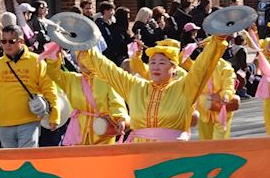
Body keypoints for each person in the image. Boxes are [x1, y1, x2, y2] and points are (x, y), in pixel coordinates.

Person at [76, 32, 230, 142]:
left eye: (162, 63)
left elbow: (202, 68)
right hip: (139, 154)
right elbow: (109, 70)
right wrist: (84, 47)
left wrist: (218, 40)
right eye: (152, 62)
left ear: (174, 68)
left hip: (172, 155)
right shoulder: (136, 86)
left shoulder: (184, 87)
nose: (156, 67)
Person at [0, 26, 60, 148]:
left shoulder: (36, 61)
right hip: (4, 123)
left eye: (11, 41)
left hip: (29, 122)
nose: (7, 45)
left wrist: (55, 115)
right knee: (9, 159)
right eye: (3, 41)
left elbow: (49, 89)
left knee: (26, 157)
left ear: (21, 41)